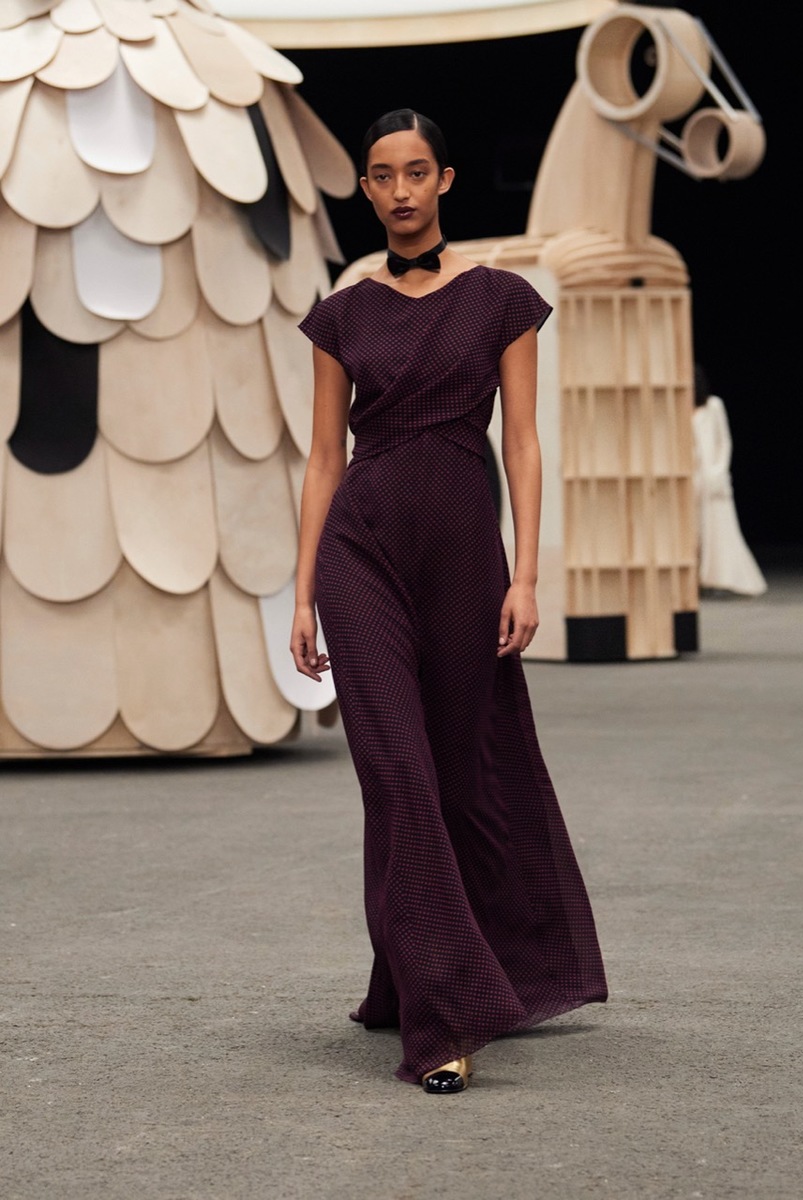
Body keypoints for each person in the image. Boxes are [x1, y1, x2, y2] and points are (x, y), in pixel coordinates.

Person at [290, 109, 607, 1093]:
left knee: (463, 780)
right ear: (366, 189)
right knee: (398, 776)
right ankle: (441, 1025)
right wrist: (301, 595)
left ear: (445, 180)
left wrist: (526, 574)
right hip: (361, 556)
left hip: (467, 562)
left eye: (416, 172)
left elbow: (523, 442)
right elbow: (322, 459)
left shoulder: (500, 300)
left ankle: (425, 974)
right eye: (382, 175)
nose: (400, 190)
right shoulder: (341, 316)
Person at [692, 364, 767, 596]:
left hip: (712, 478)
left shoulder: (713, 405)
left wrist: (718, 470)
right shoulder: (679, 406)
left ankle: (723, 579)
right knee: (695, 531)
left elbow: (724, 441)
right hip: (691, 477)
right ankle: (697, 581)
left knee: (719, 530)